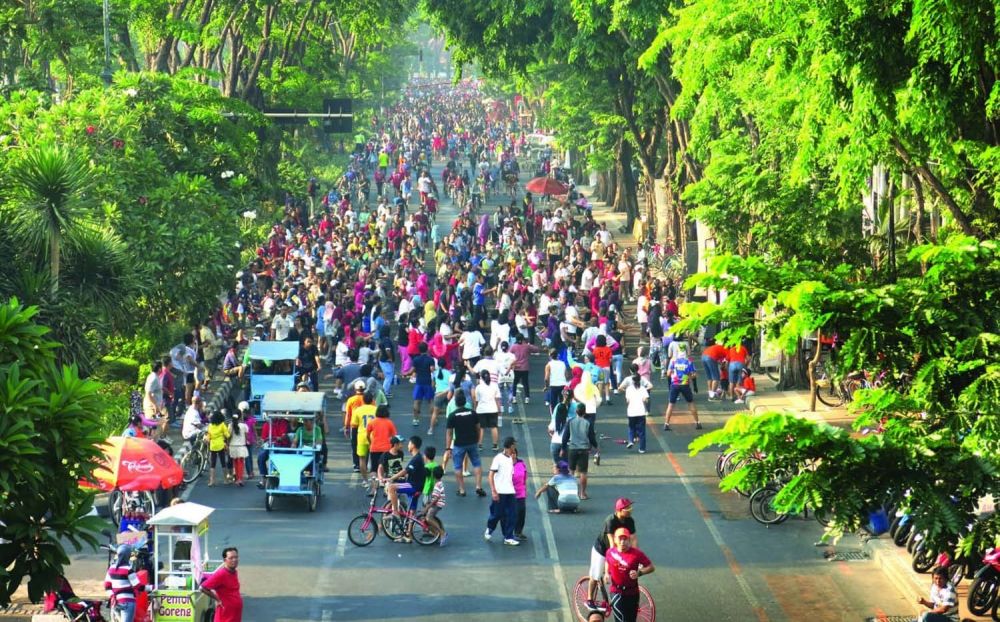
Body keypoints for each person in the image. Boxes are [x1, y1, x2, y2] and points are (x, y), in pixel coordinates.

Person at [588, 498, 637, 609]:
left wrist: (635, 557)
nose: (630, 510)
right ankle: (589, 599)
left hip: (620, 547)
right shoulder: (610, 520)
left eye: (630, 508)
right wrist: (616, 558)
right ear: (619, 510)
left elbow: (633, 539)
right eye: (627, 508)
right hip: (602, 549)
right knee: (596, 575)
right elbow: (611, 542)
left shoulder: (630, 521)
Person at [604, 527, 655, 622]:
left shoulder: (637, 554)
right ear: (615, 539)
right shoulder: (610, 552)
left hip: (633, 593)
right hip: (617, 593)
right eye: (620, 538)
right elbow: (607, 561)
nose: (622, 542)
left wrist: (639, 573)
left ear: (629, 540)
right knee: (621, 620)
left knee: (631, 620)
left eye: (625, 539)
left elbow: (651, 567)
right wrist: (606, 573)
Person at [443, 390, 484, 497]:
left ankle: (462, 489)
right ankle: (478, 486)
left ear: (456, 403)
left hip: (459, 444)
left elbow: (449, 433)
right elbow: (478, 428)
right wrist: (478, 440)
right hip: (472, 442)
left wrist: (448, 448)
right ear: (465, 402)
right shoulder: (472, 413)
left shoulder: (452, 415)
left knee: (457, 466)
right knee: (477, 463)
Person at [484, 436, 519, 546]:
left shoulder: (511, 459)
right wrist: (494, 491)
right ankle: (490, 528)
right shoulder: (498, 458)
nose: (515, 447)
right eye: (514, 444)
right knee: (497, 514)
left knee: (511, 514)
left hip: (510, 491)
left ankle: (508, 536)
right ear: (511, 446)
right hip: (500, 491)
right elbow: (490, 475)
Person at [104, 544, 149, 622]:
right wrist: (152, 587)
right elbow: (138, 587)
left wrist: (113, 596)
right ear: (127, 556)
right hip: (128, 602)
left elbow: (107, 586)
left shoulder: (111, 569)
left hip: (116, 602)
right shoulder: (128, 569)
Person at [663, 345, 700, 431]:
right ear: (686, 352)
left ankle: (666, 424)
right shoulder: (689, 362)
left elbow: (668, 374)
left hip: (674, 384)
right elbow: (694, 375)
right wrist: (689, 376)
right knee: (691, 403)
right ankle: (697, 423)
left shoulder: (674, 361)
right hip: (685, 385)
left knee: (671, 404)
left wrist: (674, 374)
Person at [200, 547, 243, 622]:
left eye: (236, 557)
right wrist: (217, 599)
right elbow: (203, 587)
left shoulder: (234, 572)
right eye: (231, 558)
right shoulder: (221, 574)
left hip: (234, 617)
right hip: (224, 618)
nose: (234, 560)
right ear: (225, 560)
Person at [565, 404, 597, 500]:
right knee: (583, 472)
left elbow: (565, 436)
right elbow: (591, 436)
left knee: (571, 471)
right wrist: (596, 446)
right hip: (583, 449)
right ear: (584, 412)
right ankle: (582, 493)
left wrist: (563, 447)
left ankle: (570, 492)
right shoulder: (588, 423)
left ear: (576, 412)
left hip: (572, 448)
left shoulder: (570, 421)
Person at [622, 369, 651, 453]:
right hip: (641, 412)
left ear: (632, 380)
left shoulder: (629, 389)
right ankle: (642, 448)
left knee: (631, 428)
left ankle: (631, 440)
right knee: (641, 431)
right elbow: (646, 399)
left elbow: (627, 401)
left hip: (631, 411)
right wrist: (644, 400)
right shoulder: (642, 388)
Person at [472, 369, 502, 451]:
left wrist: (474, 409)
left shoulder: (478, 387)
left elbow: (476, 400)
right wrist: (499, 409)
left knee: (481, 428)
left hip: (481, 410)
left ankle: (480, 445)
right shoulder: (495, 386)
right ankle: (495, 445)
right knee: (494, 427)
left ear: (481, 377)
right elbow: (497, 399)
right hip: (493, 409)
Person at [408, 342, 436, 427]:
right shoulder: (430, 359)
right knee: (430, 401)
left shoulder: (416, 359)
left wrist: (405, 373)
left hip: (419, 383)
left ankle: (415, 419)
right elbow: (432, 370)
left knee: (417, 401)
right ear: (427, 349)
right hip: (427, 382)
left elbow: (411, 371)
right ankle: (433, 418)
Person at [206, 410, 231, 487]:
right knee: (223, 463)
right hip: (220, 445)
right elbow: (227, 435)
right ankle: (226, 480)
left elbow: (208, 436)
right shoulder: (222, 425)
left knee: (212, 464)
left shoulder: (210, 426)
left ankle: (212, 481)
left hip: (213, 446)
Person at [511, 447, 528, 541]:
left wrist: (524, 488)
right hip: (509, 492)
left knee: (521, 512)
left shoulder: (521, 464)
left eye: (514, 453)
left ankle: (518, 531)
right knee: (509, 513)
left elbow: (524, 477)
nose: (513, 455)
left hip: (520, 492)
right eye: (511, 453)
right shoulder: (505, 465)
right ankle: (508, 532)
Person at [228, 411, 249, 486]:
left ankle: (237, 478)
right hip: (241, 446)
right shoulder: (244, 426)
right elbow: (246, 437)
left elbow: (229, 436)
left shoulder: (230, 425)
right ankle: (240, 479)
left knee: (235, 463)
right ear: (240, 416)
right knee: (241, 463)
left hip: (233, 446)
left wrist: (227, 444)